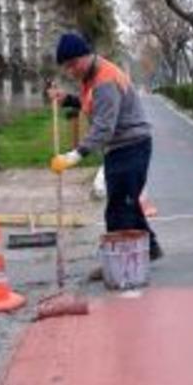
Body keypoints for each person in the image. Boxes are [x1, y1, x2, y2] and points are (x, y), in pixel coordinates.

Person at [48, 32, 163, 274]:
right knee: (127, 202)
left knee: (118, 208)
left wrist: (74, 156)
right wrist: (68, 99)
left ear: (85, 56)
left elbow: (103, 127)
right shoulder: (93, 75)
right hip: (121, 147)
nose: (70, 71)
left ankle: (117, 264)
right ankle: (150, 248)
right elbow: (93, 103)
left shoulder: (104, 80)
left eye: (73, 64)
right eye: (66, 67)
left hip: (130, 147)